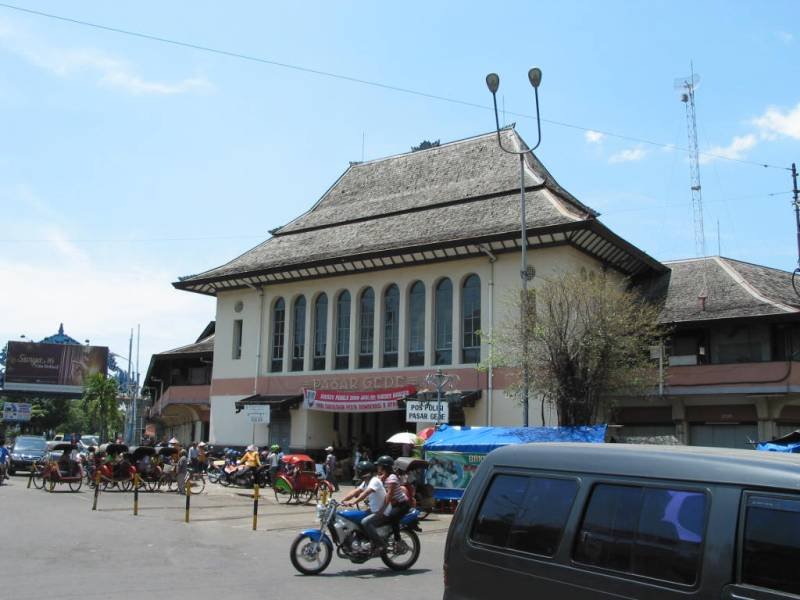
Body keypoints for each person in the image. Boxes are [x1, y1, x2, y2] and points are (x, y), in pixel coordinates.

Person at [342, 460, 387, 555]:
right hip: (373, 510)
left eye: (359, 471)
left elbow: (366, 493)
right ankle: (364, 541)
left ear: (364, 472)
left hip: (381, 511)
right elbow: (356, 491)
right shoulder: (366, 482)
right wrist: (343, 500)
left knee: (365, 522)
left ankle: (380, 545)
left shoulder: (375, 481)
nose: (357, 472)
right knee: (356, 518)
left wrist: (354, 502)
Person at [375, 455, 411, 541]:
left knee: (391, 516)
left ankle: (397, 538)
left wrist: (382, 509)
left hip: (401, 504)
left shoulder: (392, 478)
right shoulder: (382, 476)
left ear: (384, 467)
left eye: (379, 465)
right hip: (392, 504)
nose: (377, 467)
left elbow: (389, 494)